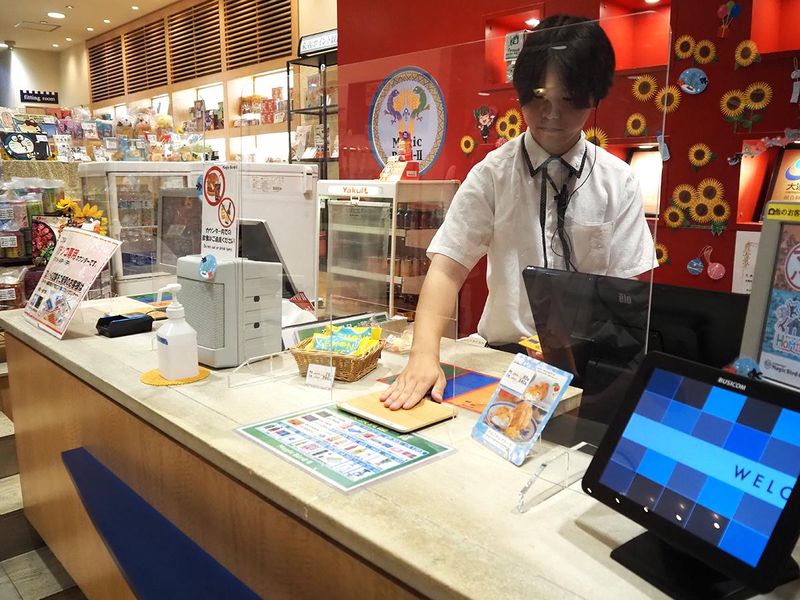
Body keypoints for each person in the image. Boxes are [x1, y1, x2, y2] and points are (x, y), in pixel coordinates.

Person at [381, 14, 657, 411]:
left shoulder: (619, 181)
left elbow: (626, 291)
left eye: (570, 100)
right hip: (506, 359)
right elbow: (446, 268)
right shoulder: (493, 174)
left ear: (595, 97)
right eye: (539, 98)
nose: (552, 114)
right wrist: (423, 355)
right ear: (521, 93)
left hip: (592, 363)